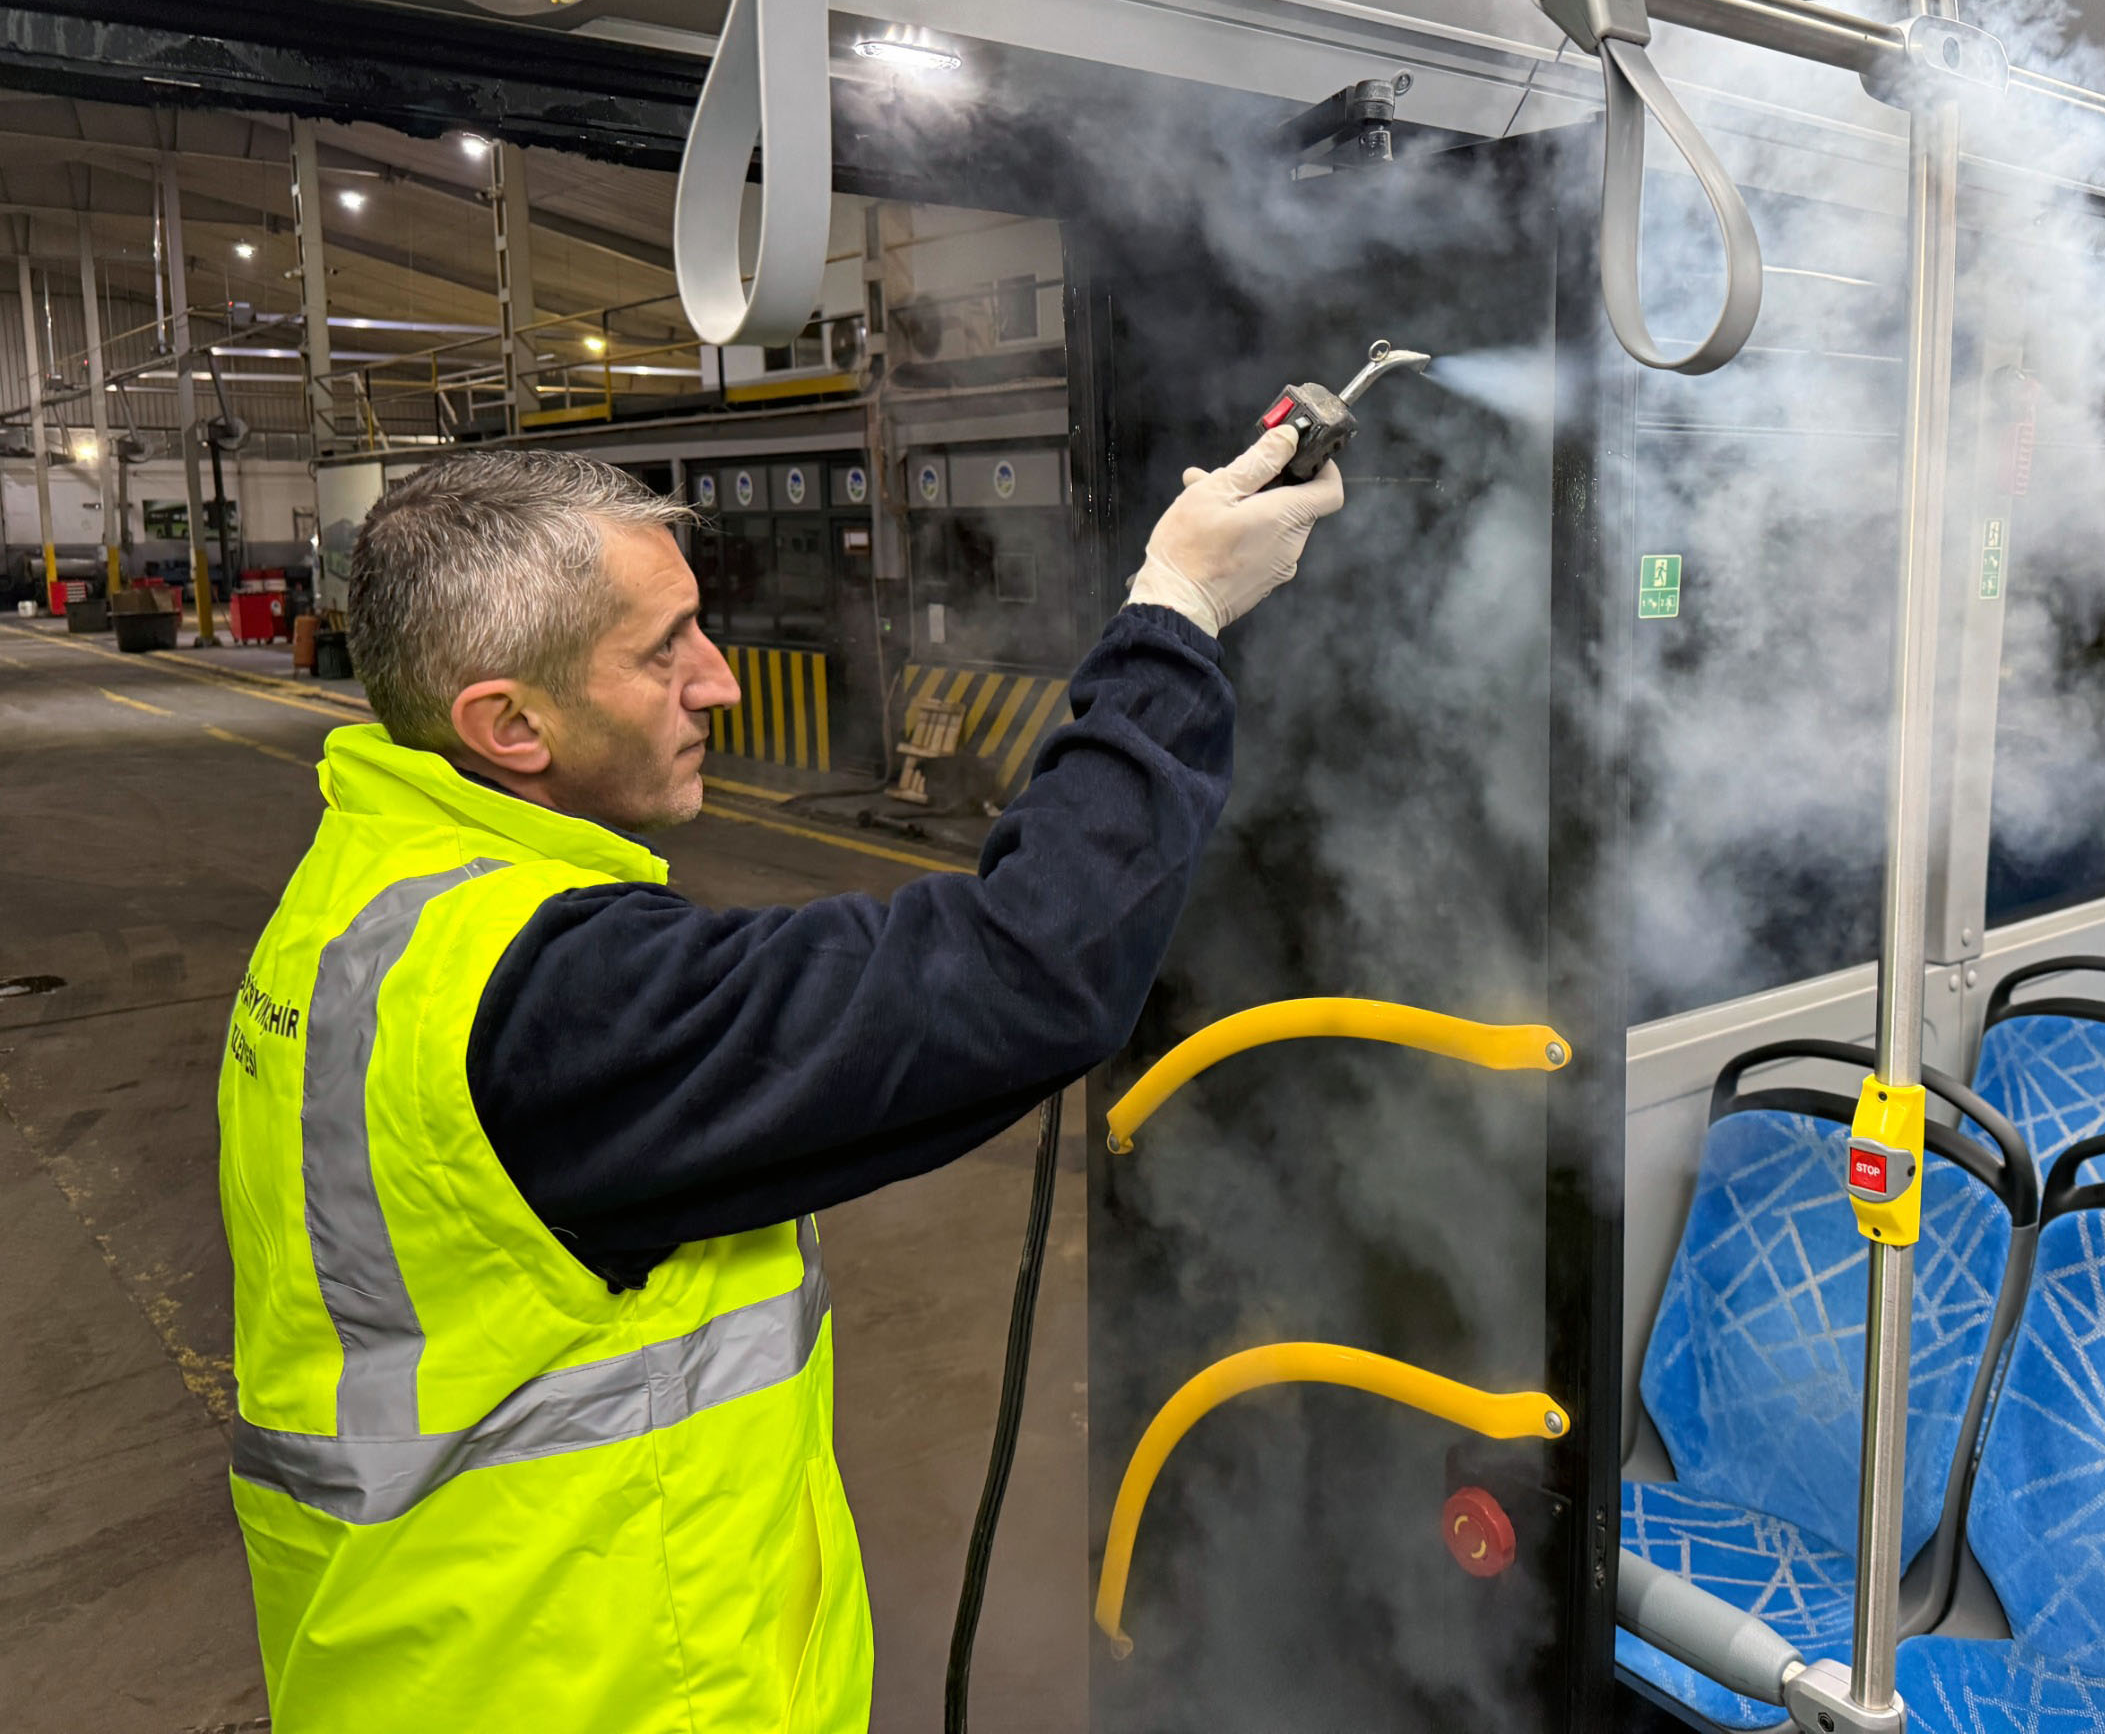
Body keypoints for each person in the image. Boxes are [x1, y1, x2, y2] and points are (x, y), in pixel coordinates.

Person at [216, 433, 1342, 1732]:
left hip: (429, 1660)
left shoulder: (366, 902)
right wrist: (1179, 610)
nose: (719, 684)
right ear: (506, 724)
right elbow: (1028, 969)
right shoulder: (557, 1008)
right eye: (661, 652)